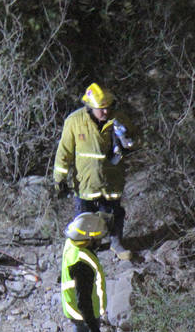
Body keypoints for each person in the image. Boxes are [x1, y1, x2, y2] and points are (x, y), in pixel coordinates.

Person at [53, 83, 139, 261]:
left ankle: (116, 244)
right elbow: (64, 152)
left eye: (108, 107)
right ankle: (85, 250)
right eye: (101, 109)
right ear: (90, 107)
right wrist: (59, 179)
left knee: (113, 213)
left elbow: (136, 140)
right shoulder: (75, 121)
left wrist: (127, 141)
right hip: (86, 181)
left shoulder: (119, 119)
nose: (105, 112)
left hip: (111, 179)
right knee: (84, 219)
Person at [61, 212, 108, 332]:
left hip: (76, 307)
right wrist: (93, 326)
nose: (100, 241)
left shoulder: (71, 244)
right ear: (89, 239)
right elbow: (84, 301)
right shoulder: (83, 264)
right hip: (83, 314)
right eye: (98, 239)